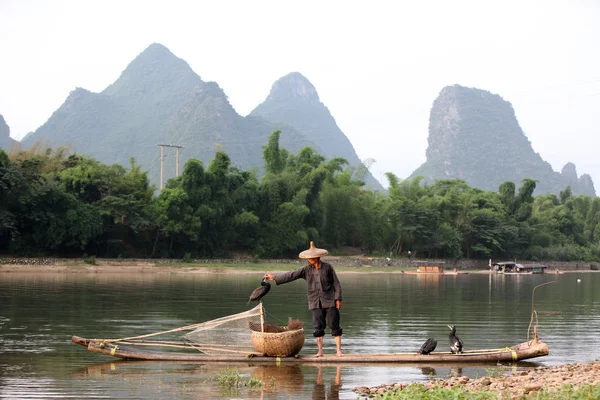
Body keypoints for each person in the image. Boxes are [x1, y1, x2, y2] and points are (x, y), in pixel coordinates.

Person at [264, 241, 343, 357]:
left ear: (316, 257)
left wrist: (338, 299)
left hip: (329, 300)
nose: (308, 259)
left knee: (334, 324)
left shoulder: (328, 268)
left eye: (310, 258)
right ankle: (320, 351)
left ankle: (338, 350)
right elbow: (291, 275)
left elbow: (337, 284)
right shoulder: (306, 270)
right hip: (315, 301)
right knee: (318, 327)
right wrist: (275, 277)